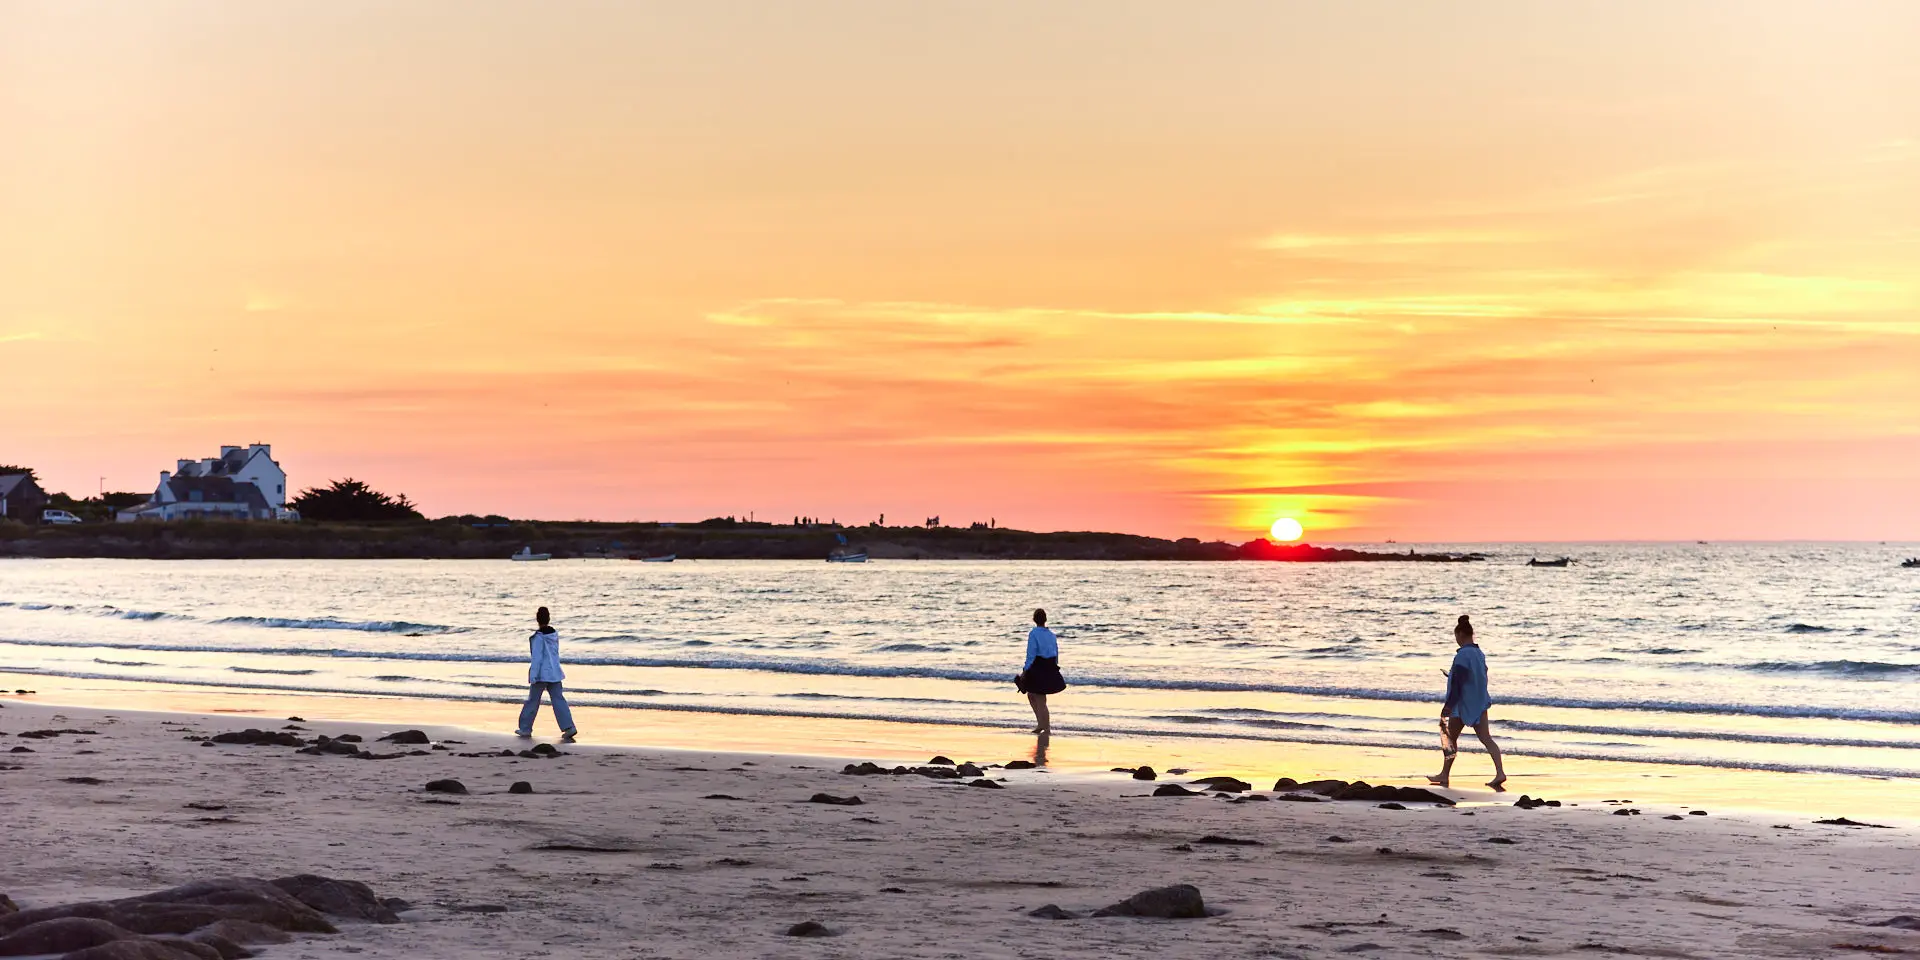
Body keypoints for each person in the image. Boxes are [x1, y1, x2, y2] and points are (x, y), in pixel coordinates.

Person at [1430, 614, 1506, 789]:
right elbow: (1477, 676)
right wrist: (1452, 675)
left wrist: (1448, 706)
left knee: (1450, 738)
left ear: (1460, 635)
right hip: (1479, 702)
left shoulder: (1463, 655)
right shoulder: (1479, 653)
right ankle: (1500, 772)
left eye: (1456, 636)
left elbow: (1459, 684)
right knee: (1486, 738)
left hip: (1463, 704)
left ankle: (1444, 774)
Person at [516, 606, 578, 742]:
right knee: (558, 699)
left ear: (537, 619)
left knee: (533, 700)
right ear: (549, 618)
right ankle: (569, 727)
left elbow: (537, 658)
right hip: (555, 672)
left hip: (541, 674)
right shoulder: (553, 635)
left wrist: (533, 675)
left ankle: (525, 728)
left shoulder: (538, 637)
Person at [1017, 608, 1065, 734]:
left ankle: (1045, 727)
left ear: (1034, 619)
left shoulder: (1033, 633)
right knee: (1033, 695)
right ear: (1045, 620)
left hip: (1039, 665)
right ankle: (1042, 725)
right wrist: (1055, 666)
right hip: (1050, 665)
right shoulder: (1051, 634)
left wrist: (1025, 671)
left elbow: (1031, 655)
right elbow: (1055, 652)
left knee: (1039, 698)